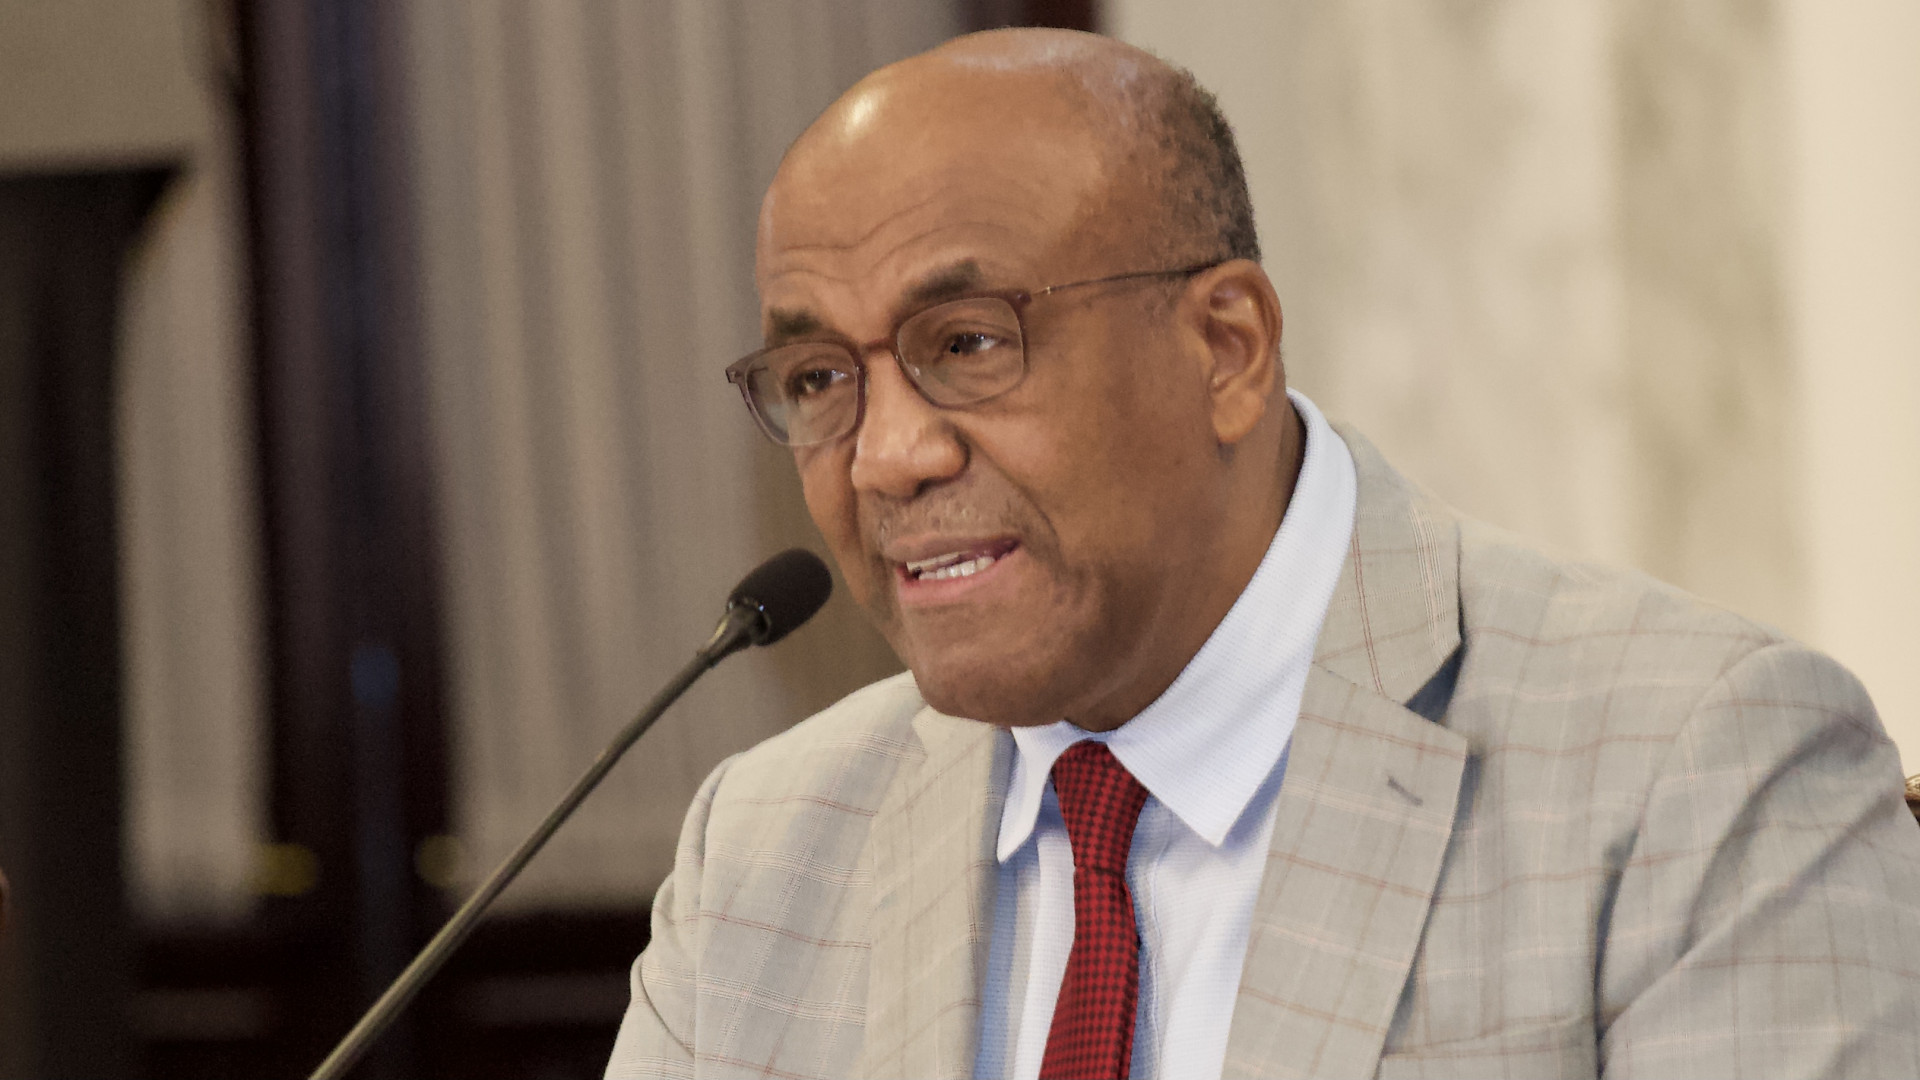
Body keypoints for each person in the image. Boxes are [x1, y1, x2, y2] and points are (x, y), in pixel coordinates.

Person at [607, 28, 1920, 1080]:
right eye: (819, 376)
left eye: (968, 343)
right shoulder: (765, 858)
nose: (886, 456)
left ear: (1226, 349)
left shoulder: (1695, 772)